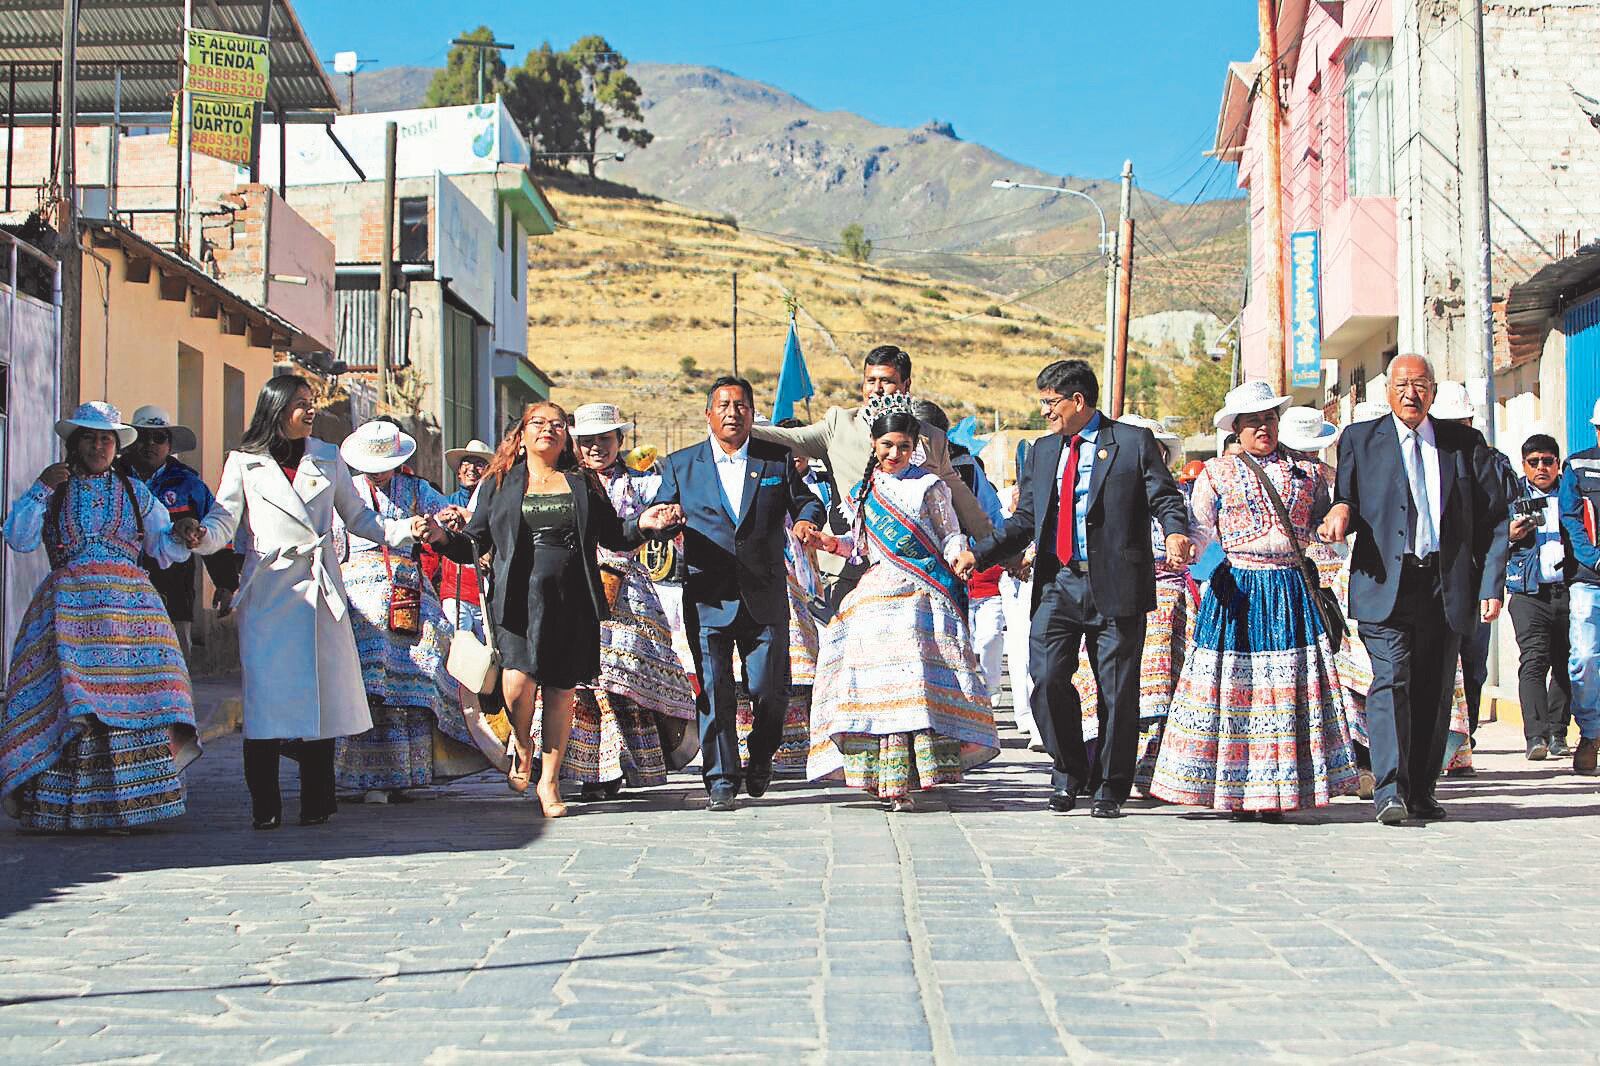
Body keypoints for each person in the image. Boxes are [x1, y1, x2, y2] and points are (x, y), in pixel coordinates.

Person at [186, 375, 443, 830]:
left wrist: (406, 530)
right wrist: (201, 536)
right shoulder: (245, 462)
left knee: (321, 700)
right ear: (276, 409)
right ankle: (265, 806)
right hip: (269, 589)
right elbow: (225, 521)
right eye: (300, 404)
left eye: (312, 403)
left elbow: (360, 517)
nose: (310, 411)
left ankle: (317, 802)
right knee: (265, 699)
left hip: (320, 589)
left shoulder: (327, 458)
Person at [955, 360, 1193, 819]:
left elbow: (1164, 496)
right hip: (1058, 583)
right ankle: (1069, 771)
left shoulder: (1130, 442)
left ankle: (1111, 785)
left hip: (1116, 583)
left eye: (1050, 402)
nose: (1045, 412)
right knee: (1045, 680)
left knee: (1117, 690)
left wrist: (1176, 530)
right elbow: (1025, 521)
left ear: (1077, 401)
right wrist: (980, 553)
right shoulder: (1042, 452)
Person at [440, 401, 679, 818]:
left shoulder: (582, 483)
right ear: (522, 434)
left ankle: (549, 781)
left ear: (565, 436)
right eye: (538, 423)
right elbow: (474, 541)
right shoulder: (500, 482)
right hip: (516, 601)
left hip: (572, 600)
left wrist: (646, 524)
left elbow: (614, 535)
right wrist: (440, 539)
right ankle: (522, 742)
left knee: (561, 692)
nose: (548, 430)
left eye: (556, 424)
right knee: (516, 685)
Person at [1148, 384, 1358, 818]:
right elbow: (1201, 528)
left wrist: (1335, 517)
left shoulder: (1309, 473)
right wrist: (1183, 545)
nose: (1263, 427)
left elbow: (1331, 510)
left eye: (1269, 419)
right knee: (1237, 690)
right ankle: (1235, 789)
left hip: (1290, 589)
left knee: (1284, 690)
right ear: (1236, 428)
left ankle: (1278, 792)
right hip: (1237, 591)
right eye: (1253, 421)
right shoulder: (1216, 474)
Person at [1317, 354, 1509, 823]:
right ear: (1388, 391)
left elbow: (1494, 520)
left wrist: (1490, 583)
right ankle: (1389, 791)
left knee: (1434, 690)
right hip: (1387, 584)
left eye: (1420, 385)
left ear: (1434, 392)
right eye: (1402, 384)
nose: (1411, 393)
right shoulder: (1361, 440)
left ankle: (1422, 789)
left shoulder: (1464, 444)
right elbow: (1348, 497)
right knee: (1390, 682)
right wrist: (1341, 512)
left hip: (1446, 587)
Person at [0, 402, 201, 832]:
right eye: (89, 438)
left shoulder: (133, 491)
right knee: (75, 706)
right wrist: (39, 489)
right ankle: (64, 808)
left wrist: (184, 533)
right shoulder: (53, 488)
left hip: (131, 618)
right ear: (74, 444)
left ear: (116, 446)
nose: (98, 446)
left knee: (138, 699)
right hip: (69, 613)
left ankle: (130, 805)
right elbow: (18, 538)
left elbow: (163, 546)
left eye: (106, 439)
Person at [637, 376, 824, 812]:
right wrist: (667, 517)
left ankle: (761, 757)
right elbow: (663, 510)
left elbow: (808, 502)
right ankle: (720, 779)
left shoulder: (776, 460)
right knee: (715, 692)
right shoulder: (681, 465)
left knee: (770, 691)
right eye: (723, 405)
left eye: (741, 405)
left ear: (752, 413)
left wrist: (805, 522)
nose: (732, 412)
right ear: (708, 414)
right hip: (707, 596)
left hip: (765, 596)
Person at [804, 395, 998, 810]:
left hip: (920, 598)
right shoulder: (863, 491)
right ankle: (878, 775)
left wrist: (959, 557)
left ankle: (910, 778)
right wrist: (829, 543)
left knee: (915, 687)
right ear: (873, 444)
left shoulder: (930, 486)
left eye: (904, 447)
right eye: (887, 445)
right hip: (876, 596)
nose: (895, 454)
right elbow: (859, 548)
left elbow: (948, 536)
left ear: (916, 448)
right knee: (874, 688)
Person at [752, 345, 993, 609]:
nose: (876, 389)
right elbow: (790, 439)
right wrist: (739, 431)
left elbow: (961, 498)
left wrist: (1001, 550)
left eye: (887, 381)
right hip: (846, 569)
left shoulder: (931, 437)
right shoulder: (839, 424)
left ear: (906, 384)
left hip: (914, 575)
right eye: (870, 381)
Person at [331, 420, 483, 803]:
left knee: (422, 667)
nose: (379, 471)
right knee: (369, 682)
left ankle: (409, 769)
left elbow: (450, 519)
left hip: (408, 591)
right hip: (358, 595)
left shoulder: (418, 490)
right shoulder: (346, 490)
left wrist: (446, 522)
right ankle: (367, 776)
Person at [562, 402, 697, 802]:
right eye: (587, 441)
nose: (595, 448)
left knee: (625, 679)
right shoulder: (566, 483)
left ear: (620, 441)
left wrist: (668, 518)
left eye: (604, 440)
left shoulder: (644, 485)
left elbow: (664, 520)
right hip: (579, 584)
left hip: (631, 590)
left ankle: (625, 764)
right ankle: (592, 770)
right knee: (586, 679)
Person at [736, 419, 827, 777]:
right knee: (741, 674)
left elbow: (808, 506)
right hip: (735, 583)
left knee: (793, 664)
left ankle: (792, 744)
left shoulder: (778, 471)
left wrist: (804, 522)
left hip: (784, 580)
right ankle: (746, 748)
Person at [1116, 414, 1199, 794]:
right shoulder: (1110, 494)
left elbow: (1196, 539)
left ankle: (1153, 765)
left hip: (1166, 599)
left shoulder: (1176, 500)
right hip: (1118, 594)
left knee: (1163, 684)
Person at [116, 406, 240, 658]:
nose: (150, 444)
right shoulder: (112, 479)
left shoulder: (188, 485)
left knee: (174, 666)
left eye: (159, 437)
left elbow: (216, 531)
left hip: (173, 594)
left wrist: (226, 583)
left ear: (170, 445)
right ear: (130, 443)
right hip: (118, 593)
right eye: (142, 436)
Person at [1507, 433, 1573, 761]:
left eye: (1547, 461)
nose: (1541, 468)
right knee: (1534, 659)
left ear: (1557, 464)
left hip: (1568, 588)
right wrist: (1509, 534)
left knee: (1566, 662)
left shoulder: (1572, 492)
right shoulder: (1511, 493)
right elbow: (1487, 534)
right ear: (1525, 465)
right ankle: (1536, 736)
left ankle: (1558, 732)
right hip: (1527, 591)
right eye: (1534, 463)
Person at [1559, 397, 1600, 775]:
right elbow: (1570, 518)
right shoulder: (1578, 465)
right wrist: (1593, 557)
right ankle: (1591, 733)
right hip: (1590, 582)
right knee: (1585, 659)